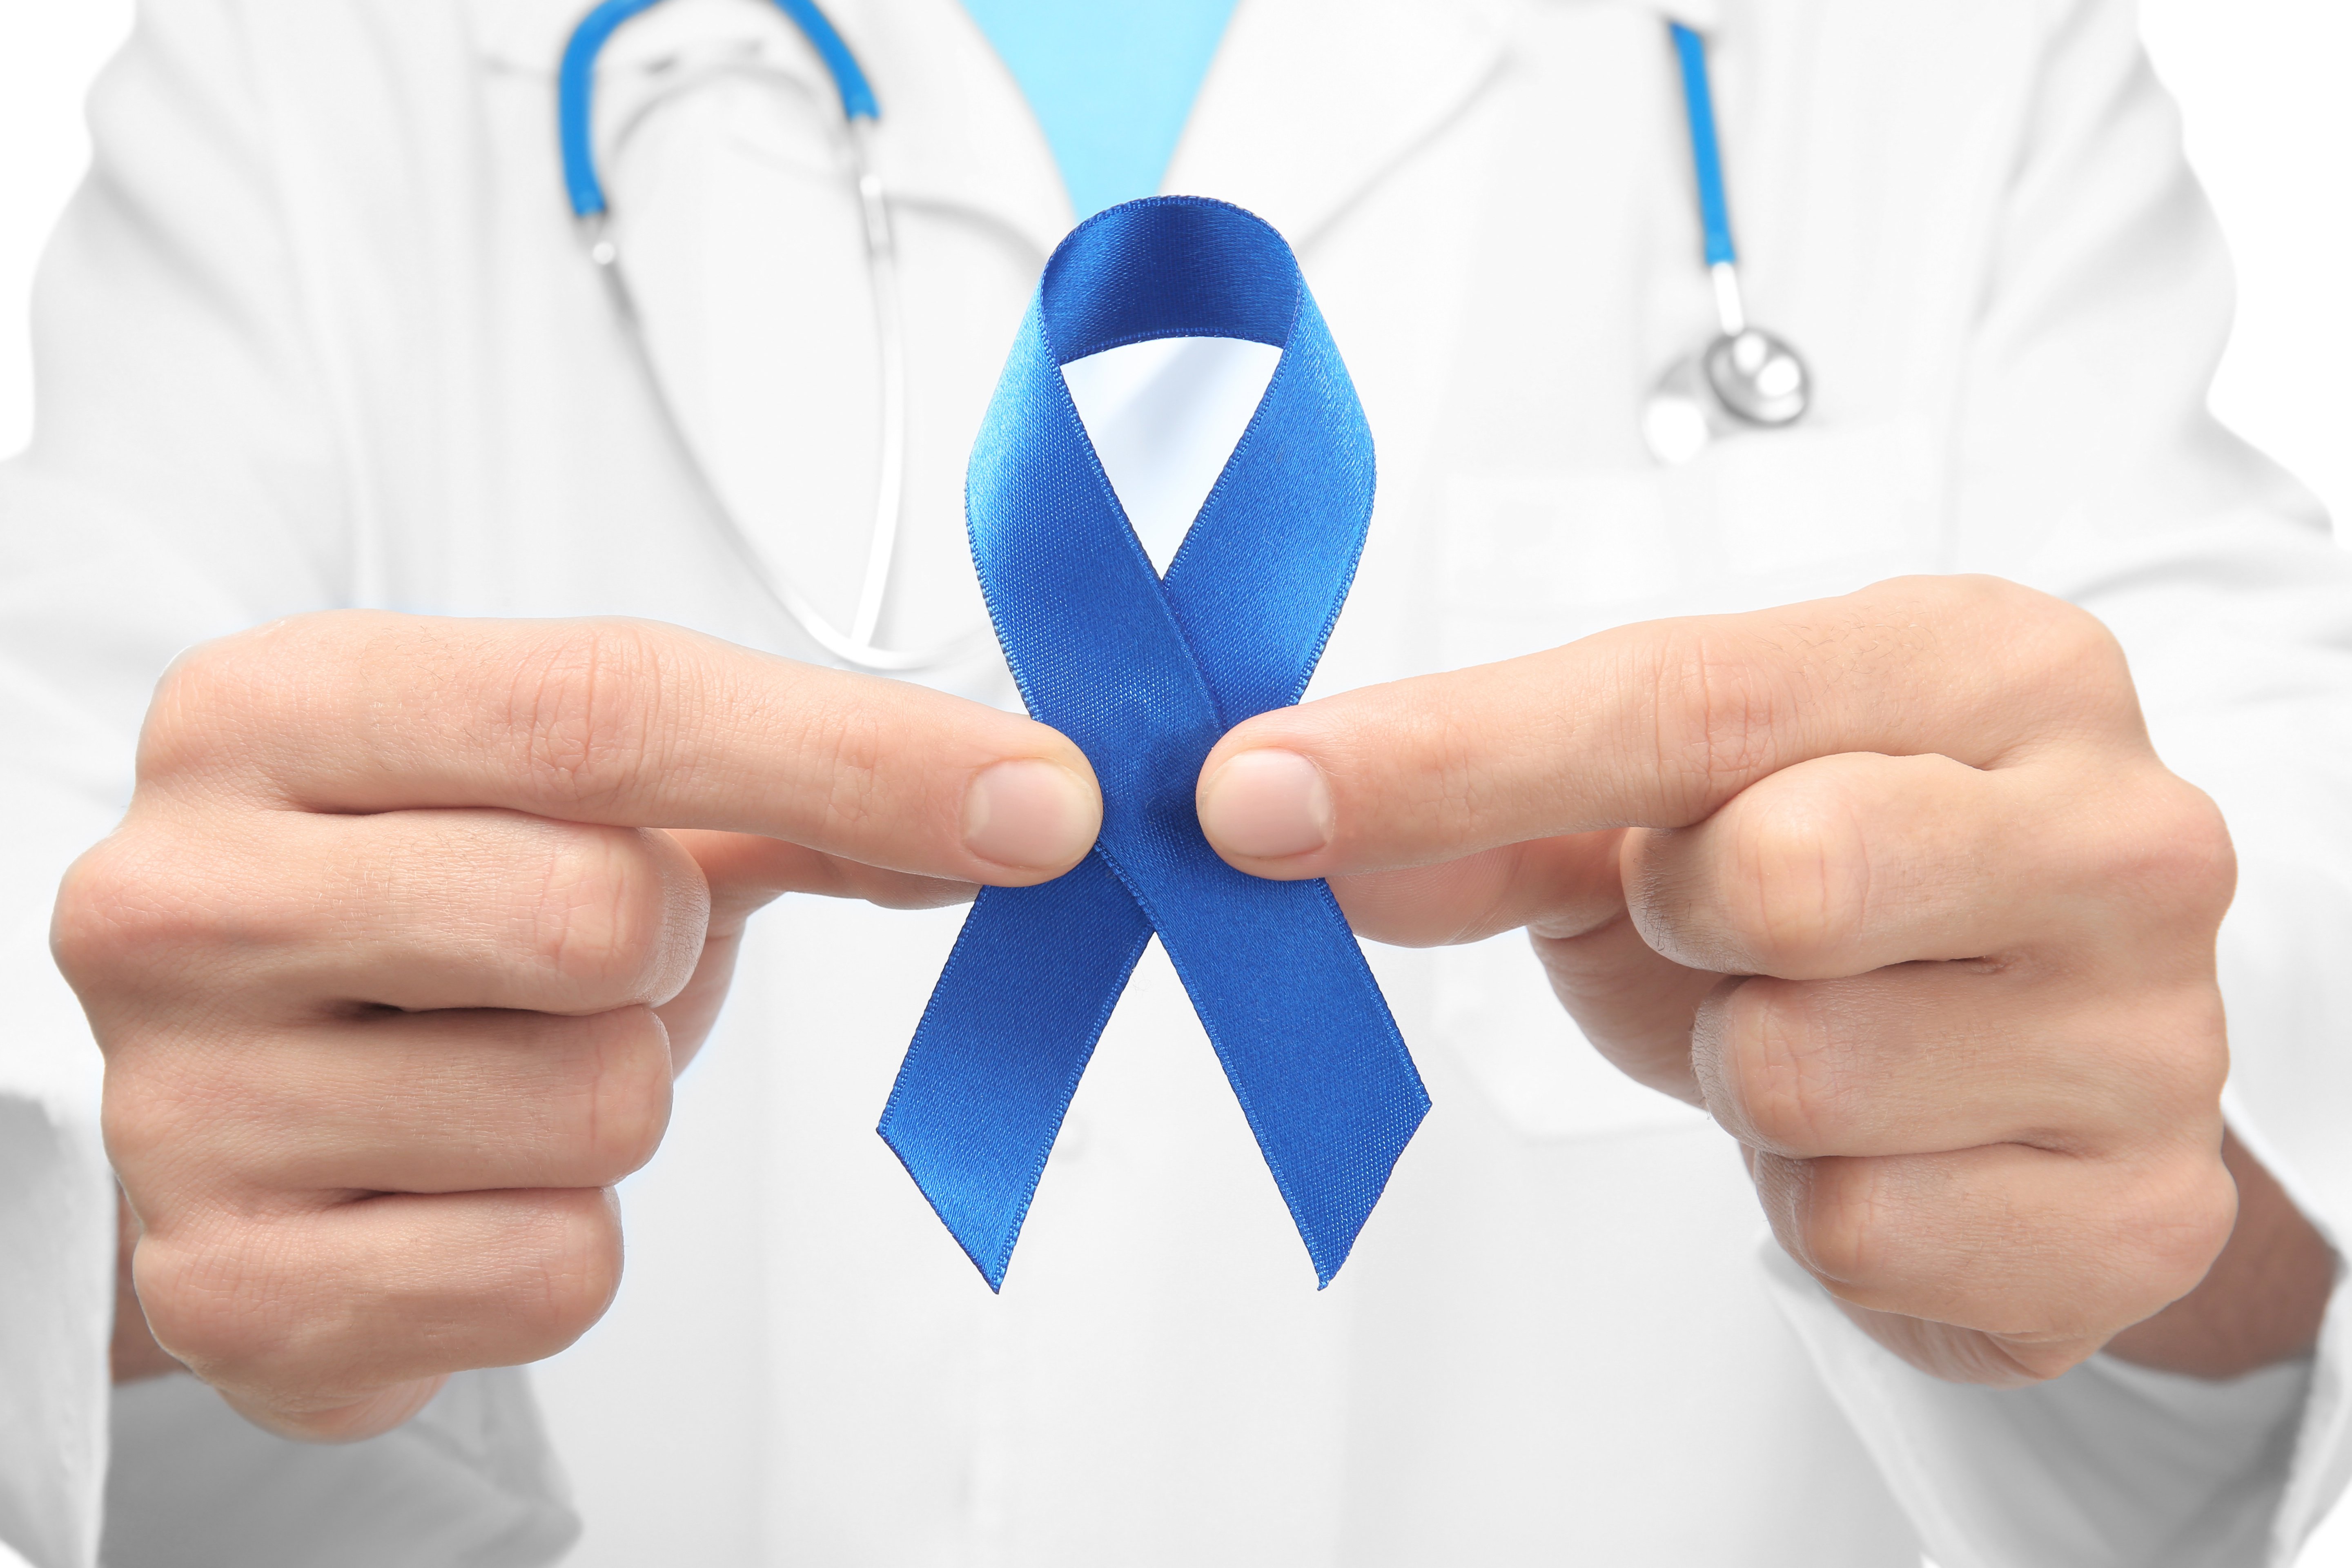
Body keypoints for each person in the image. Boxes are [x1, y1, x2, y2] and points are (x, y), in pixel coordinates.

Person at [4, 0, 2350, 1563]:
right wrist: (156, 1211)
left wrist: (2142, 1160)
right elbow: (66, 991)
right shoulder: (306, 71)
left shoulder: (1944, 61)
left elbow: (2273, 1052)